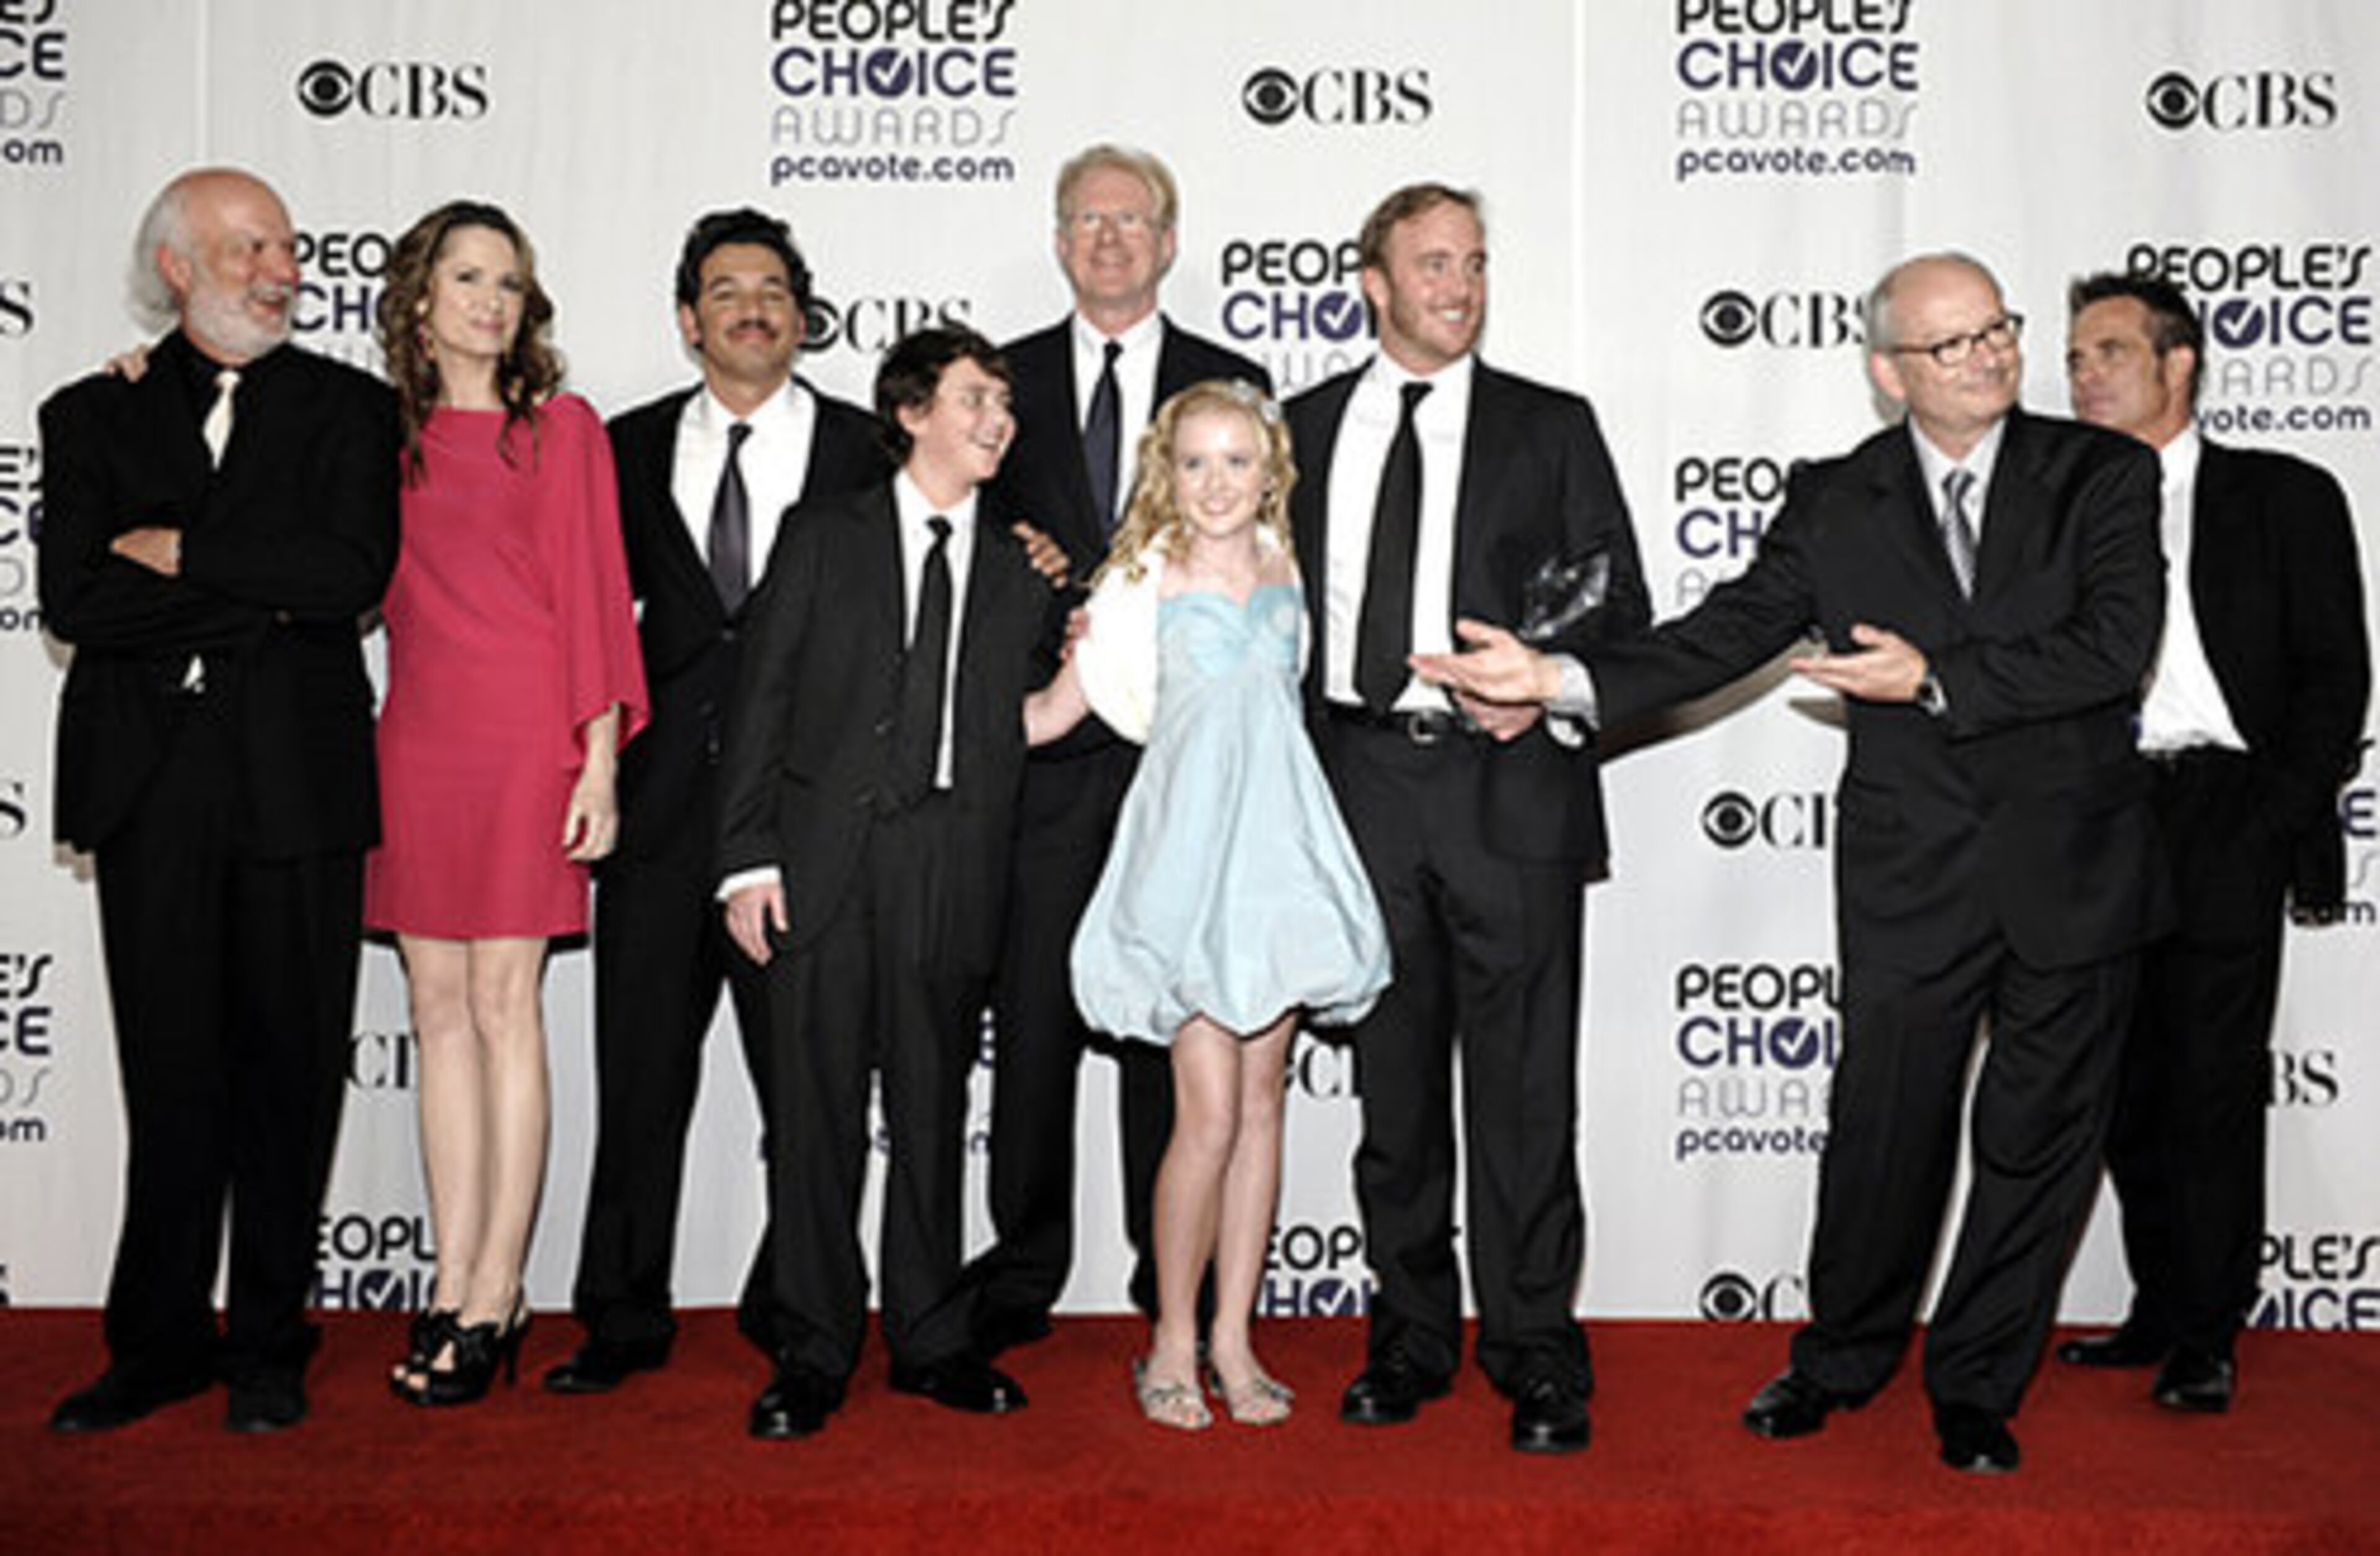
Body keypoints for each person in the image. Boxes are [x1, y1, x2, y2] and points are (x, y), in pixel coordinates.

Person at [1416, 253, 2167, 1474]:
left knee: (2038, 1143)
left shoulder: (2103, 472)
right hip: (1911, 870)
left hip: (2075, 863)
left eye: (1998, 330)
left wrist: (1933, 676)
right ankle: (1841, 1358)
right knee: (1883, 1128)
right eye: (1953, 343)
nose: (1989, 355)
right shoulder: (1836, 498)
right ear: (1888, 373)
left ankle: (1977, 1384)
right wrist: (1562, 678)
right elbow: (1727, 631)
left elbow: (2111, 646)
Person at [1288, 183, 1649, 1456]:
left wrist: (1536, 684)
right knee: (1392, 1091)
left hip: (1510, 784)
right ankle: (1411, 1334)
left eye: (1476, 262)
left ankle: (1538, 1346)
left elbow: (1618, 598)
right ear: (1373, 282)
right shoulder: (1299, 427)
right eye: (1432, 263)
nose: (1460, 283)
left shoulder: (1552, 424)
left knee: (1525, 1092)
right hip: (1358, 787)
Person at [38, 167, 399, 1435]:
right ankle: (155, 1344)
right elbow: (78, 601)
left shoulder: (354, 409)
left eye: (287, 245)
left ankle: (267, 1344)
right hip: (152, 789)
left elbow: (347, 573)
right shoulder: (88, 413)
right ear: (177, 266)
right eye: (246, 245)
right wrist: (262, 590)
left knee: (292, 1073)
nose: (278, 267)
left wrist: (179, 551)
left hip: (298, 786)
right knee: (170, 1071)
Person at [544, 209, 888, 1396]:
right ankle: (621, 1315)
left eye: (777, 289)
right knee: (639, 1079)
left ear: (804, 314)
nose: (755, 307)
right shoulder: (618, 449)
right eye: (728, 290)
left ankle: (799, 1306)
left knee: (809, 1088)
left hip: (800, 830)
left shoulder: (868, 450)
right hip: (652, 818)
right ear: (688, 321)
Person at [1025, 379, 1390, 1430]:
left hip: (1279, 861)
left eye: (1237, 461)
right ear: (1164, 472)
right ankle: (1170, 1342)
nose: (1216, 483)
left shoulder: (1291, 566)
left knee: (1265, 1106)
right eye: (1194, 463)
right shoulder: (1138, 575)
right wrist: (922, 711)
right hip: (1186, 863)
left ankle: (1236, 1336)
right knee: (1210, 1112)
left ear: (1271, 469)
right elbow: (1054, 716)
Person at [719, 327, 1052, 1441]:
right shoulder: (825, 536)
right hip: (823, 865)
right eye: (973, 399)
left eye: (1004, 403)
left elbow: (1027, 726)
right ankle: (812, 1349)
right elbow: (758, 699)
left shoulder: (1017, 567)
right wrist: (747, 861)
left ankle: (930, 1337)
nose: (996, 420)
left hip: (953, 866)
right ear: (911, 413)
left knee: (931, 1106)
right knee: (813, 1120)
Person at [969, 144, 1274, 1352]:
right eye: (1086, 219)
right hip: (1050, 755)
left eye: (1132, 218)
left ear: (1169, 239)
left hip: (1187, 762)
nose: (1108, 238)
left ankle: (1174, 1276)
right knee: (1035, 1014)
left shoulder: (1231, 381)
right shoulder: (999, 383)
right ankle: (1023, 1266)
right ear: (1058, 241)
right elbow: (955, 525)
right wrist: (1023, 568)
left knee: (1181, 1027)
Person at [2054, 272, 2369, 1412]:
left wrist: (2273, 810)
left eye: (2109, 352)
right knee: (2120, 1078)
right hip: (2100, 816)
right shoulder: (2057, 502)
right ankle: (2155, 1307)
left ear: (2178, 364)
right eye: (2077, 356)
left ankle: (2208, 1331)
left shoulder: (2284, 495)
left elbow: (2340, 674)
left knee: (2212, 1081)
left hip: (2227, 810)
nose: (2084, 374)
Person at [368, 200, 648, 1407]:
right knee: (436, 1010)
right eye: (469, 276)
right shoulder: (374, 437)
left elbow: (597, 598)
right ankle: (451, 1272)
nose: (492, 300)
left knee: (503, 1004)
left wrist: (599, 761)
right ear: (419, 297)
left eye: (511, 282)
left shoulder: (562, 430)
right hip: (417, 743)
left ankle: (496, 1288)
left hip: (532, 741)